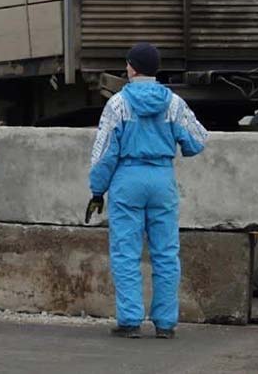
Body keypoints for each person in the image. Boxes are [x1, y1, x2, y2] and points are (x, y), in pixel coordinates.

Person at [86, 42, 207, 339]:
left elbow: (105, 153)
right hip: (162, 180)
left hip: (128, 180)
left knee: (126, 252)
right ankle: (165, 324)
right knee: (165, 253)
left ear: (132, 67)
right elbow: (197, 140)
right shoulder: (174, 102)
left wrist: (97, 190)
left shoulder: (118, 104)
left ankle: (129, 320)